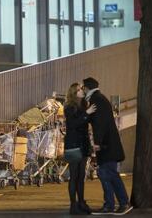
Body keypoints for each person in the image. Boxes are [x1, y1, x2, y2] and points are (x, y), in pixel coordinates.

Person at [83, 77, 133, 215]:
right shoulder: (100, 99)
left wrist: (97, 142)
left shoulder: (96, 100)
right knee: (107, 174)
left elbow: (100, 123)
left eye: (83, 88)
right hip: (108, 144)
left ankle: (121, 203)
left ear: (87, 88)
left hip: (106, 145)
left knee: (108, 173)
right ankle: (111, 204)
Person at [64, 83, 97, 215]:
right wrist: (86, 114)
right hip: (73, 144)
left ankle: (81, 202)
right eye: (78, 90)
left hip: (83, 144)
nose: (81, 91)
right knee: (74, 175)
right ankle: (73, 205)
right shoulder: (69, 107)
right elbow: (72, 125)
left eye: (81, 89)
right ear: (73, 93)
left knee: (81, 175)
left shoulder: (84, 105)